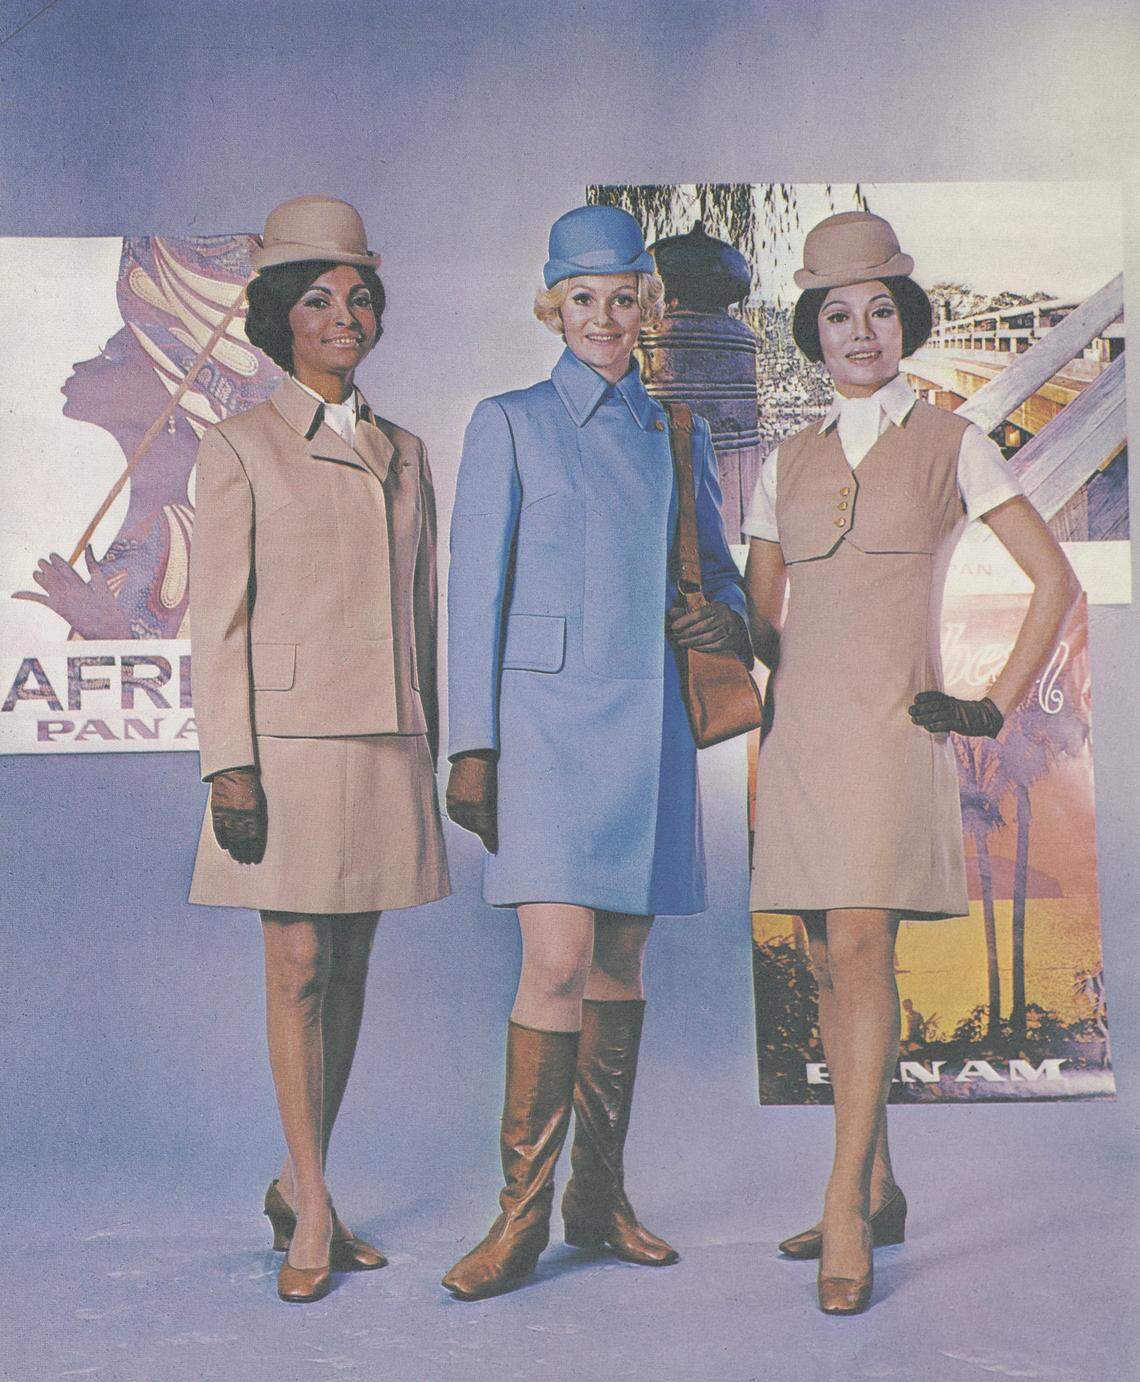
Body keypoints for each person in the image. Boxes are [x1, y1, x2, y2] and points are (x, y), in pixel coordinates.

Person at [744, 210, 1080, 1315]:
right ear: (814, 328)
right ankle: (879, 1184)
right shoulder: (785, 461)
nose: (861, 332)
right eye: (838, 314)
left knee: (860, 943)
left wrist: (988, 705)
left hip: (894, 730)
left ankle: (843, 1203)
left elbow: (1056, 583)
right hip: (800, 736)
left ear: (908, 321)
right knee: (826, 961)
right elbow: (764, 623)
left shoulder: (953, 442)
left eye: (880, 310)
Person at [443, 204, 750, 1300]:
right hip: (541, 728)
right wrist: (471, 745)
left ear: (646, 306)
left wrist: (725, 617)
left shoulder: (677, 433)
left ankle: (598, 1199)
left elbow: (720, 575)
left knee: (620, 961)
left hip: (650, 720)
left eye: (624, 298)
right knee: (556, 959)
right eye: (585, 299)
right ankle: (518, 1219)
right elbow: (471, 594)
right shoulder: (508, 422)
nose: (606, 318)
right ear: (553, 307)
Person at [187, 196, 449, 1303]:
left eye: (359, 297)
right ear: (278, 319)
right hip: (284, 747)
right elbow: (218, 620)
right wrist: (228, 764)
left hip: (386, 740)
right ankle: (311, 1205)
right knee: (296, 965)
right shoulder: (238, 447)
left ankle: (303, 1185)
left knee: (348, 970)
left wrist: (440, 743)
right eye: (318, 299)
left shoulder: (406, 451)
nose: (344, 315)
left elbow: (422, 613)